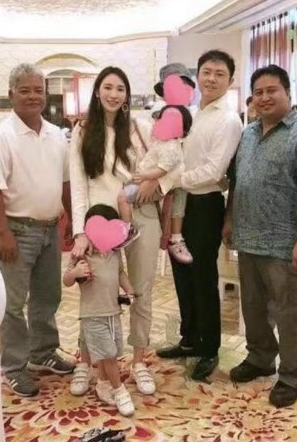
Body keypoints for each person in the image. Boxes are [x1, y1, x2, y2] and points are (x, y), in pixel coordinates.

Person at [223, 64, 297, 408]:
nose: (265, 97)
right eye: (258, 92)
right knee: (253, 308)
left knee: (291, 314)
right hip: (249, 239)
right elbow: (238, 182)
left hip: (287, 245)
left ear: (288, 92)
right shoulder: (248, 134)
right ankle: (260, 358)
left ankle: (294, 375)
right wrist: (230, 220)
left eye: (272, 90)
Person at [70, 66, 177, 396]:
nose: (114, 94)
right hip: (100, 222)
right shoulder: (82, 130)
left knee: (141, 290)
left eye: (120, 89)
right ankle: (86, 360)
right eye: (108, 87)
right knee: (95, 292)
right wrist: (80, 232)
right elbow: (78, 185)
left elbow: (175, 161)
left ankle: (139, 360)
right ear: (97, 91)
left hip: (141, 217)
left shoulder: (141, 127)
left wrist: (156, 183)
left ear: (127, 94)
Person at [0, 63, 75, 398]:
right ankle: (14, 367)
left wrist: (72, 219)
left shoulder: (56, 135)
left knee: (48, 297)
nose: (33, 96)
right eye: (25, 90)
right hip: (17, 231)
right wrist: (3, 233)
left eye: (38, 90)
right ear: (11, 95)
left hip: (50, 230)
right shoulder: (0, 138)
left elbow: (66, 182)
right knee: (12, 303)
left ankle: (42, 353)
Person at [156, 50, 242, 381]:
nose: (211, 78)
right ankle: (189, 338)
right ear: (198, 75)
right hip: (180, 204)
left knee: (203, 277)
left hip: (205, 205)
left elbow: (214, 171)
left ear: (230, 81)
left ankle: (209, 348)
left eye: (220, 74)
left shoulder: (228, 120)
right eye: (206, 71)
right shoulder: (190, 113)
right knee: (182, 275)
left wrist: (172, 179)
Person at [117, 69, 196, 264]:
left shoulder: (189, 117)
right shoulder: (158, 116)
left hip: (176, 182)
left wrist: (154, 179)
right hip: (155, 183)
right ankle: (171, 237)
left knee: (178, 202)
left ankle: (175, 237)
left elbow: (172, 164)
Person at [64, 204, 136, 416]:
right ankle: (119, 390)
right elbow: (66, 280)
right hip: (92, 315)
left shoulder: (114, 254)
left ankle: (103, 384)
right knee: (110, 355)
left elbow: (120, 273)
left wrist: (129, 290)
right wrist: (76, 272)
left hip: (113, 312)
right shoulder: (82, 256)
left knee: (110, 352)